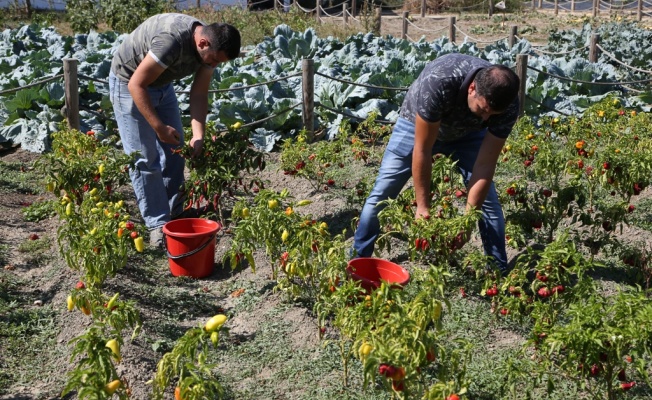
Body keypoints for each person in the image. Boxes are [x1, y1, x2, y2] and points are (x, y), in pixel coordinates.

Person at [352, 53, 520, 274]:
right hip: (416, 125)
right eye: (483, 110)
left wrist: (467, 222)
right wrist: (422, 207)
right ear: (471, 89)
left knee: (488, 204)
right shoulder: (439, 81)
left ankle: (498, 272)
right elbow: (422, 149)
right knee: (384, 191)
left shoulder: (507, 105)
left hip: (468, 135)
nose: (486, 119)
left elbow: (485, 166)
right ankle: (357, 260)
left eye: (493, 115)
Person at [108, 14, 241, 248]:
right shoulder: (171, 41)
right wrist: (158, 127)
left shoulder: (209, 48)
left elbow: (199, 94)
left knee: (176, 151)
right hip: (130, 82)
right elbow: (136, 84)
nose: (215, 64)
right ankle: (157, 224)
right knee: (144, 158)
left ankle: (174, 213)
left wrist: (198, 134)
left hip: (161, 84)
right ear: (202, 43)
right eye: (214, 60)